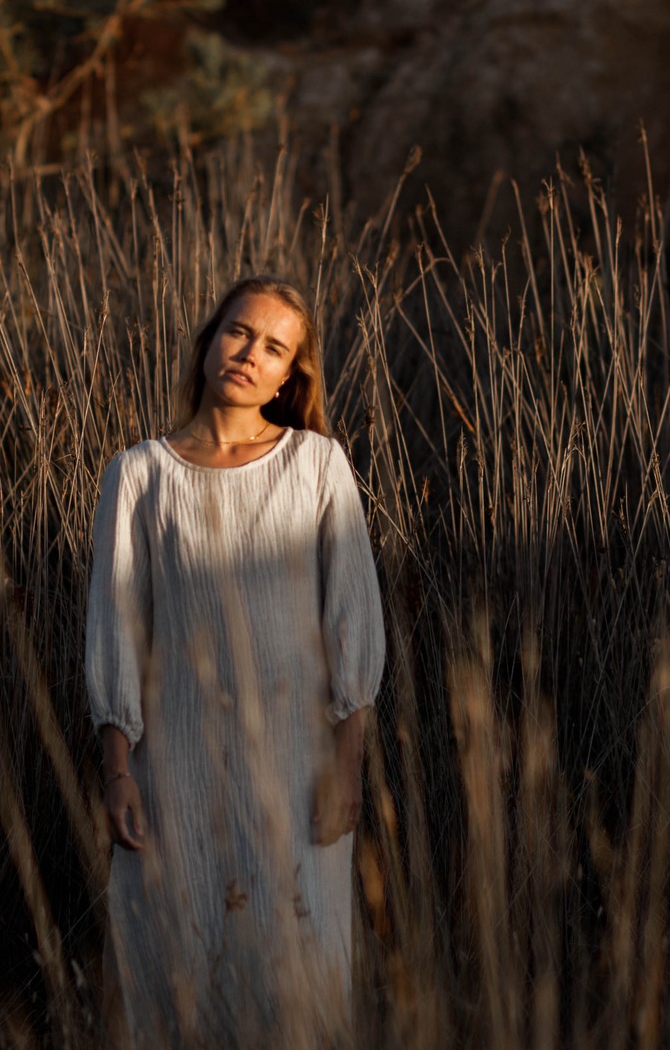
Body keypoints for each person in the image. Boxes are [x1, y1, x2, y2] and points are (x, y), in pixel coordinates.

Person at [85, 275, 387, 1048]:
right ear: (210, 340)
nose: (251, 354)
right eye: (239, 333)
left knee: (298, 976)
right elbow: (117, 628)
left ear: (292, 376)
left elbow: (352, 621)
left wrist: (348, 768)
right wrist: (118, 769)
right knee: (175, 971)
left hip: (297, 771)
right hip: (173, 775)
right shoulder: (138, 475)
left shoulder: (317, 466)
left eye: (274, 347)